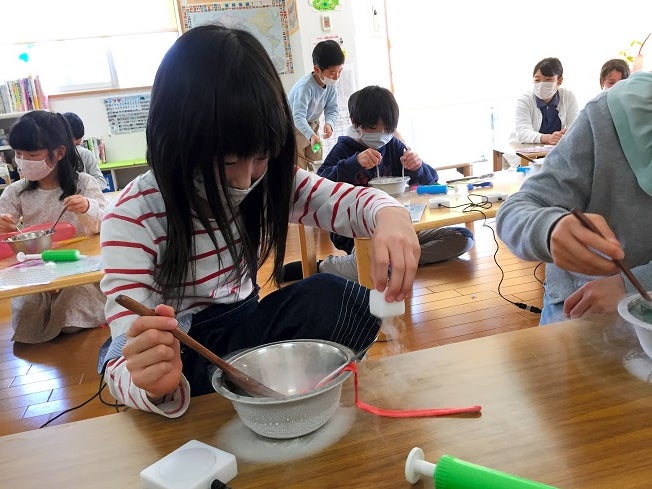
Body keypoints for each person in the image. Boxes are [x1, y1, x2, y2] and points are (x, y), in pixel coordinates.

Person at [98, 25, 420, 417]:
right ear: (175, 141)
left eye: (262, 157)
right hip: (190, 359)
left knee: (333, 296)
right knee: (151, 361)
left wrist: (390, 214)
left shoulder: (268, 180)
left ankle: (282, 392)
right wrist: (153, 384)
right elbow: (120, 358)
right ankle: (235, 397)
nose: (244, 179)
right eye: (227, 162)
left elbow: (344, 200)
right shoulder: (134, 216)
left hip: (248, 336)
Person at [496, 70, 652, 325]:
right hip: (582, 302)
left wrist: (630, 286)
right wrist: (550, 229)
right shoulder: (608, 116)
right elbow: (515, 211)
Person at [281, 85, 474, 283]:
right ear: (355, 123)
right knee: (376, 262)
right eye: (373, 128)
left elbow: (431, 181)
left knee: (463, 238)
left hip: (402, 227)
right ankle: (322, 267)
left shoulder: (393, 145)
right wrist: (353, 163)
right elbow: (319, 185)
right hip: (359, 235)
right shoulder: (344, 149)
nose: (381, 134)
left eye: (388, 129)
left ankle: (394, 261)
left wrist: (418, 166)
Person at [0, 111, 107, 343]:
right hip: (35, 270)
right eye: (18, 154)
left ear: (58, 153)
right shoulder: (16, 191)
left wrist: (87, 206)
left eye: (32, 154)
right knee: (28, 320)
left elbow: (103, 224)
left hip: (79, 269)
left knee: (72, 314)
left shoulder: (83, 183)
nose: (23, 160)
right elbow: (4, 229)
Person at [287, 40, 344, 169]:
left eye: (340, 71)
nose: (336, 77)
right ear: (317, 69)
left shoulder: (330, 85)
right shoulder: (305, 87)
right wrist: (310, 135)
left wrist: (329, 123)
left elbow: (332, 108)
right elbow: (298, 117)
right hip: (296, 129)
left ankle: (316, 187)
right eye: (332, 73)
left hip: (313, 127)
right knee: (299, 167)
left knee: (317, 161)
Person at [510, 57, 579, 146]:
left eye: (548, 80)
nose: (541, 84)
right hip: (523, 149)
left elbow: (575, 129)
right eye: (537, 80)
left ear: (559, 81)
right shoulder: (524, 100)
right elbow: (523, 133)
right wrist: (548, 138)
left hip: (553, 150)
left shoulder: (568, 97)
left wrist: (564, 136)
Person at [62, 112, 108, 190]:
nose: (79, 143)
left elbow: (101, 182)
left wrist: (85, 190)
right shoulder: (53, 157)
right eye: (75, 140)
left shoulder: (84, 154)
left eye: (80, 139)